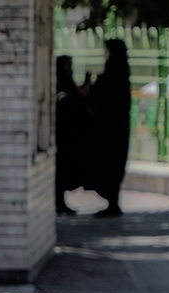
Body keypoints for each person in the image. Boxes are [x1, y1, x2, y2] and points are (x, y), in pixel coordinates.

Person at [87, 39, 131, 216]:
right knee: (114, 164)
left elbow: (100, 96)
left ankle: (112, 202)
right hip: (119, 129)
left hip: (108, 130)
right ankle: (113, 200)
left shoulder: (111, 75)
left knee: (108, 164)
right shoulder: (122, 74)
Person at [54, 55, 88, 214]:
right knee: (60, 171)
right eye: (67, 65)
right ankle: (58, 203)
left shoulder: (67, 81)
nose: (70, 68)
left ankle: (61, 202)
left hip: (70, 136)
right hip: (61, 135)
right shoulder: (59, 82)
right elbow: (63, 100)